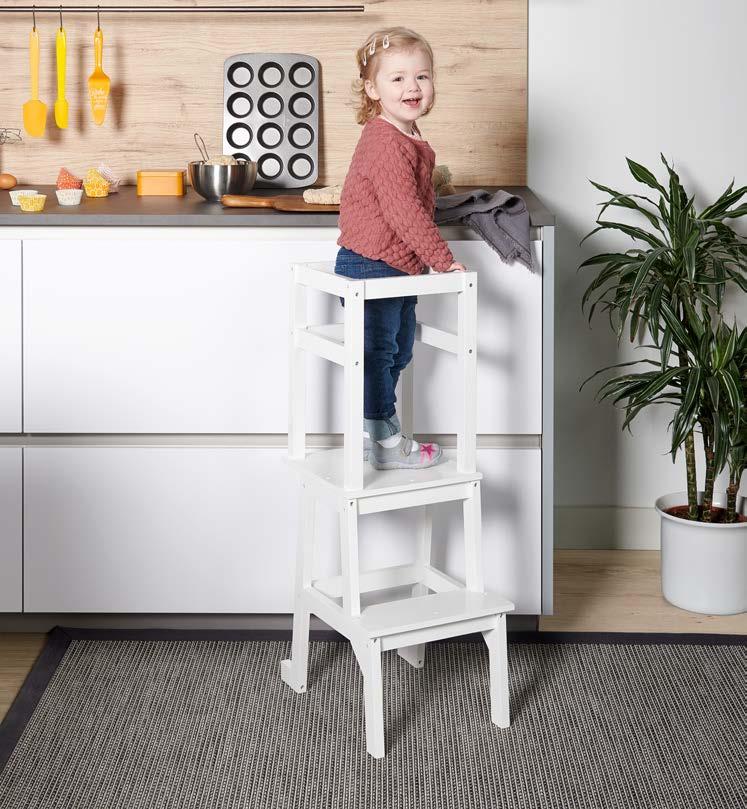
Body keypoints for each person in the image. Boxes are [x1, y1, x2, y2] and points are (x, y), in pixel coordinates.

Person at [335, 27, 466, 471]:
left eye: (422, 76)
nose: (413, 87)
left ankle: (378, 435)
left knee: (399, 351)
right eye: (397, 78)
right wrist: (443, 260)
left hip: (396, 266)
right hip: (370, 263)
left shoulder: (405, 136)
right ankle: (387, 441)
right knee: (378, 353)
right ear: (372, 89)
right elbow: (404, 211)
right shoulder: (385, 140)